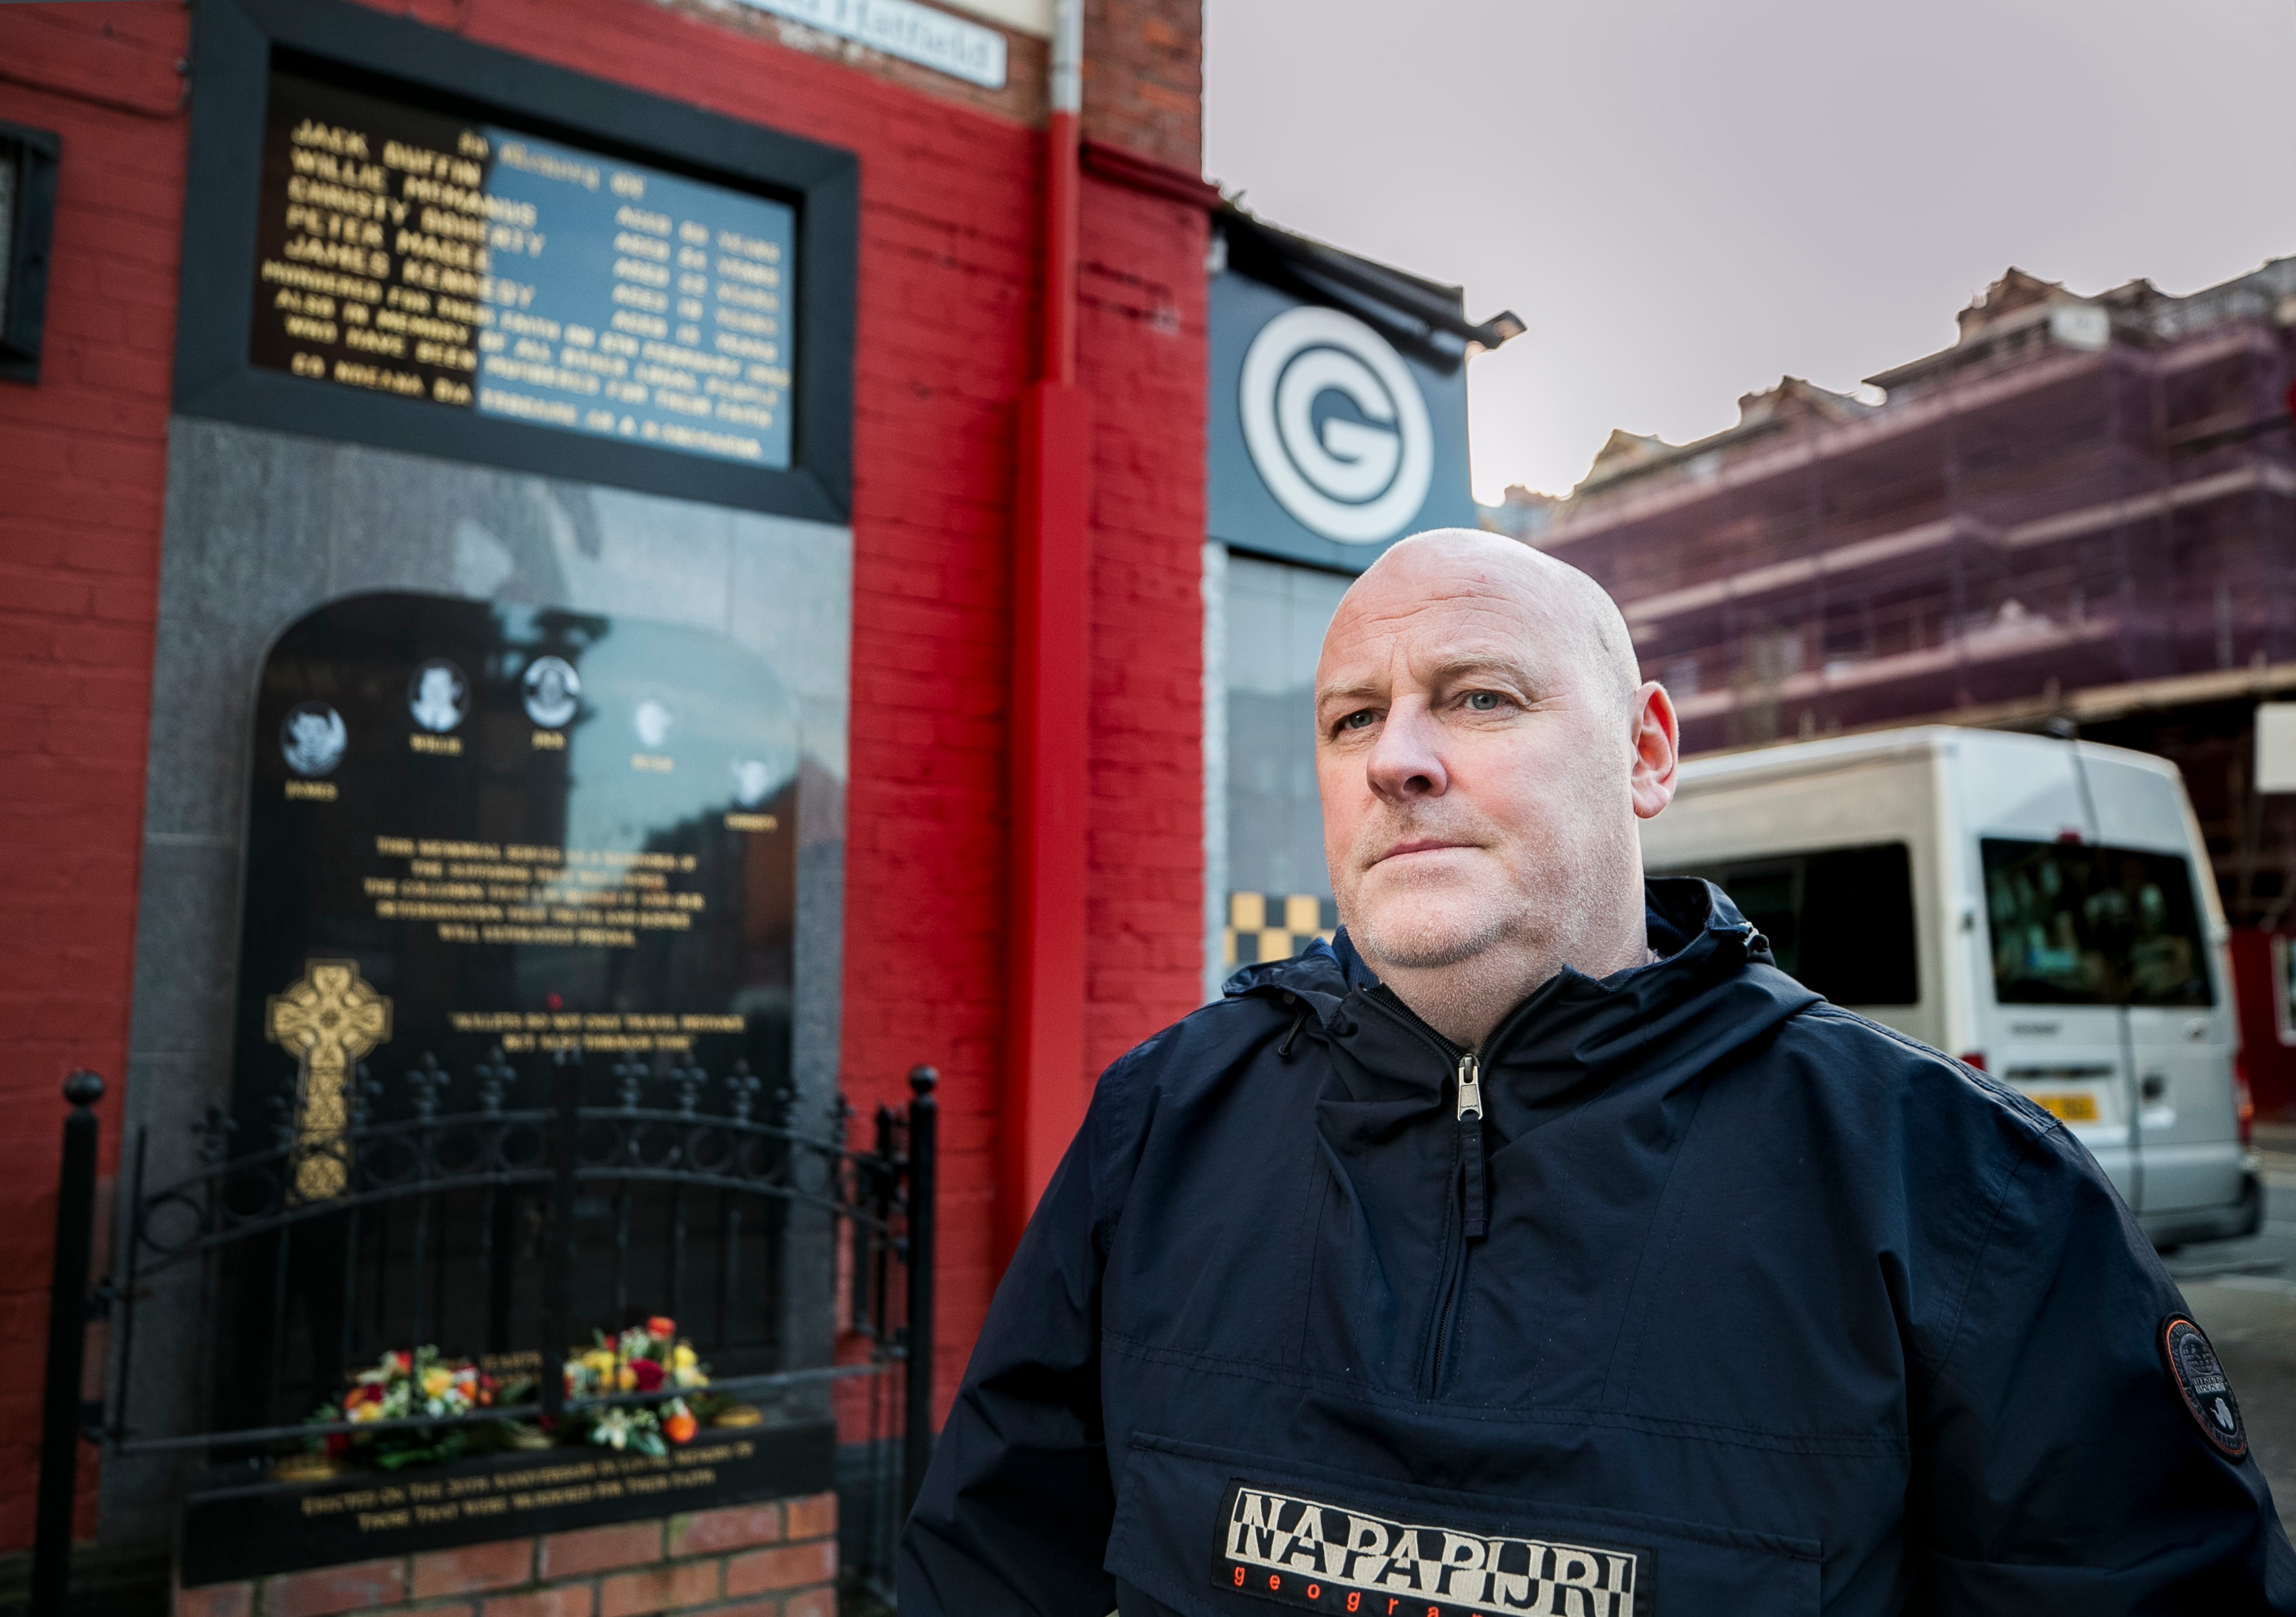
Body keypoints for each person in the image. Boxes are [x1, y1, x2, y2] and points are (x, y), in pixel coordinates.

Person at [899, 528, 2296, 1615]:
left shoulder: (1959, 1185)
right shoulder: (1163, 1126)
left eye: (1479, 697)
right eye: (1349, 718)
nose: (1398, 758)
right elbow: (985, 1566)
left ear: (1646, 751)